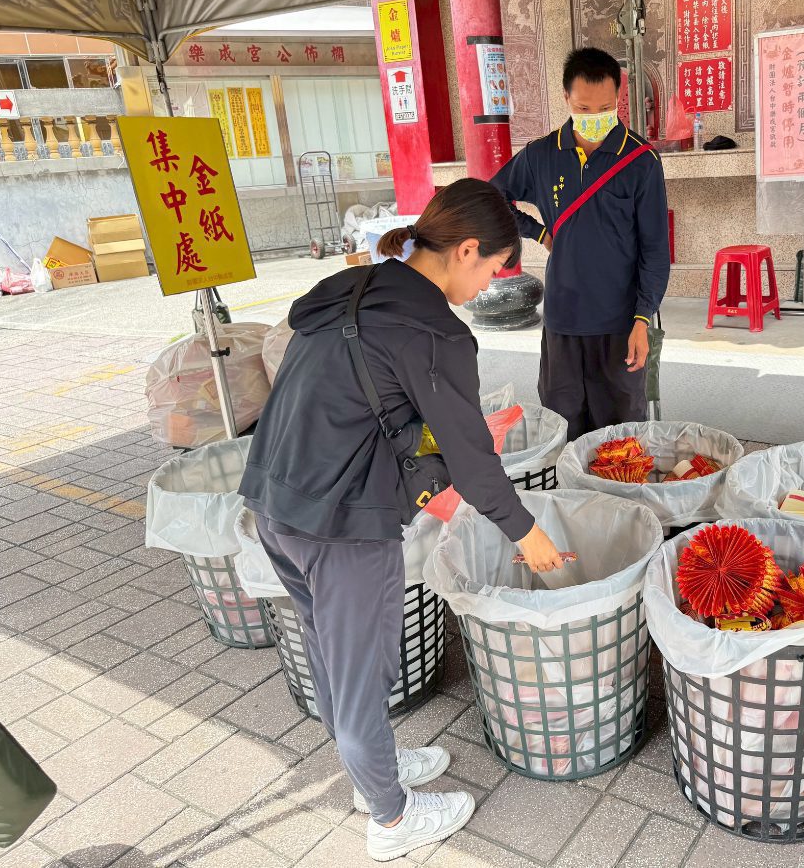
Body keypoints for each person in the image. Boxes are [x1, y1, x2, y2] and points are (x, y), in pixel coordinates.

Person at [238, 178, 564, 862]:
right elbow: (474, 463)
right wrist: (529, 535)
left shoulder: (354, 287)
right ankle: (388, 819)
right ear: (466, 250)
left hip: (274, 502)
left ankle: (373, 763)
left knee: (331, 653)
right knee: (360, 674)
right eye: (496, 269)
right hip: (342, 526)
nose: (492, 285)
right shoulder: (433, 331)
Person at [492, 47, 671, 441]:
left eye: (605, 108)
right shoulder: (541, 155)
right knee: (562, 424)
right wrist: (537, 231)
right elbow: (493, 196)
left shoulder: (641, 161)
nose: (595, 118)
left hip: (621, 323)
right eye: (585, 108)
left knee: (622, 432)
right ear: (567, 99)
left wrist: (643, 319)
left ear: (619, 100)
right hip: (563, 321)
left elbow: (656, 250)